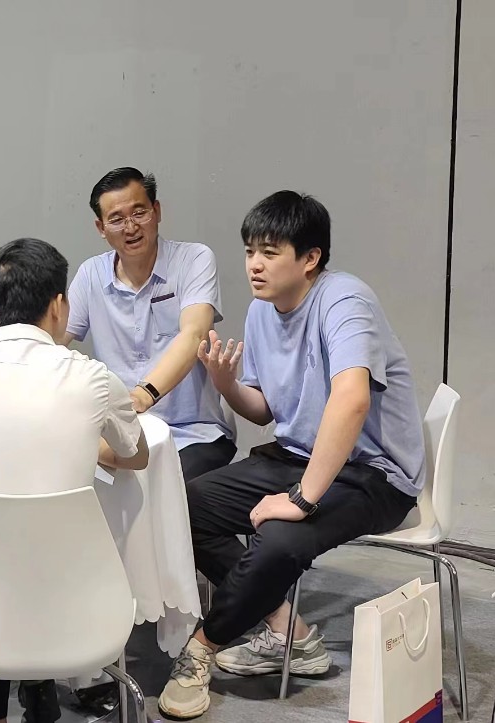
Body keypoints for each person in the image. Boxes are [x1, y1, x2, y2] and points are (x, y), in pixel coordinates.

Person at [156, 192, 425, 719]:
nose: (254, 265)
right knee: (183, 507)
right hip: (297, 455)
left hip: (373, 474)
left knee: (279, 538)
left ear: (310, 258)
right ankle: (290, 633)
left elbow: (352, 398)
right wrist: (226, 384)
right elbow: (264, 409)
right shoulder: (263, 310)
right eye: (250, 251)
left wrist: (301, 499)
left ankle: (200, 649)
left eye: (270, 252)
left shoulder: (345, 301)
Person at [0, 238, 149, 723]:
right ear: (58, 305)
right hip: (80, 604)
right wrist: (83, 445)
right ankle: (40, 695)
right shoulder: (94, 378)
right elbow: (136, 456)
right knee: (40, 548)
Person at [65, 167, 237, 483]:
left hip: (191, 432)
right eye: (116, 219)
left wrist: (144, 394)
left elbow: (194, 333)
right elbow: (53, 339)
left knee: (165, 488)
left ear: (156, 211)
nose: (131, 227)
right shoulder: (91, 275)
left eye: (139, 213)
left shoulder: (193, 260)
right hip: (122, 435)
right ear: (101, 227)